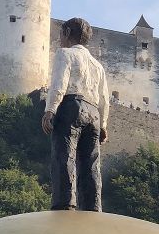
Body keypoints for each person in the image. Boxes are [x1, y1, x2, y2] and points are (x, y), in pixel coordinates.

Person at [41, 17, 109, 212]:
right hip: (94, 112)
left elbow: (59, 85)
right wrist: (103, 125)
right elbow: (104, 98)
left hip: (72, 105)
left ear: (68, 33)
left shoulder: (65, 54)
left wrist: (50, 110)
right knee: (91, 163)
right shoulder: (98, 66)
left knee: (64, 155)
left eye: (61, 34)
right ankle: (92, 207)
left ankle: (65, 204)